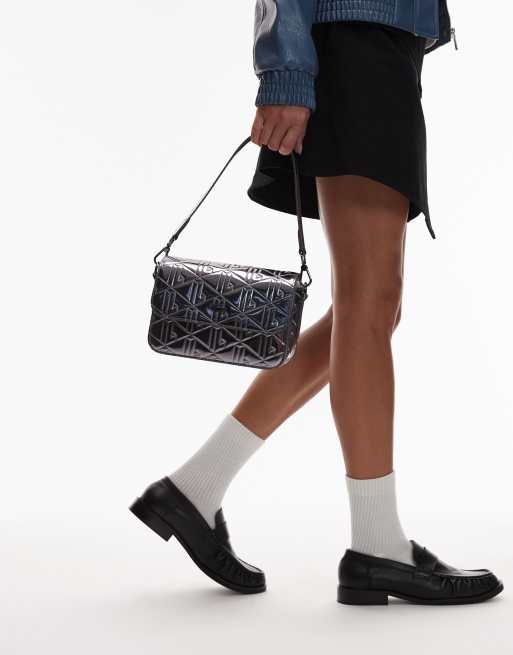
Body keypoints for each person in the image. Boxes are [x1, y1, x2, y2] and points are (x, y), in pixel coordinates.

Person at [130, 1, 504, 605]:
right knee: (367, 305)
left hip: (381, 48)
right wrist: (285, 74)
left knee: (371, 308)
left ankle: (196, 486)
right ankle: (377, 546)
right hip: (356, 48)